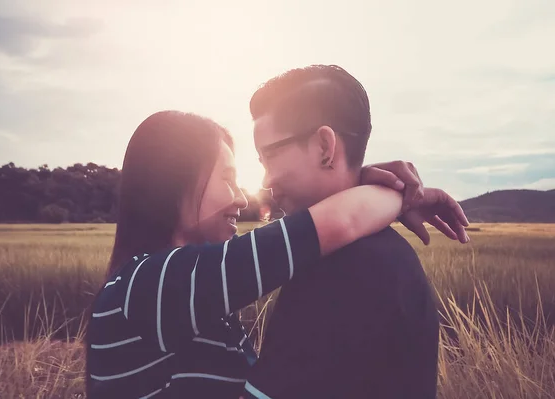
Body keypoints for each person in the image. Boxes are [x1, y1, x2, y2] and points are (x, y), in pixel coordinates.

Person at [84, 111, 467, 398]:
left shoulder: (186, 295)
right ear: (173, 180)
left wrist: (357, 181)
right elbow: (336, 223)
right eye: (228, 178)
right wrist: (400, 192)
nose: (240, 196)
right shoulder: (148, 285)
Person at [242, 65, 466, 399]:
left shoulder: (339, 268)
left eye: (270, 156)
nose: (265, 182)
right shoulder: (386, 252)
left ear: (324, 147)